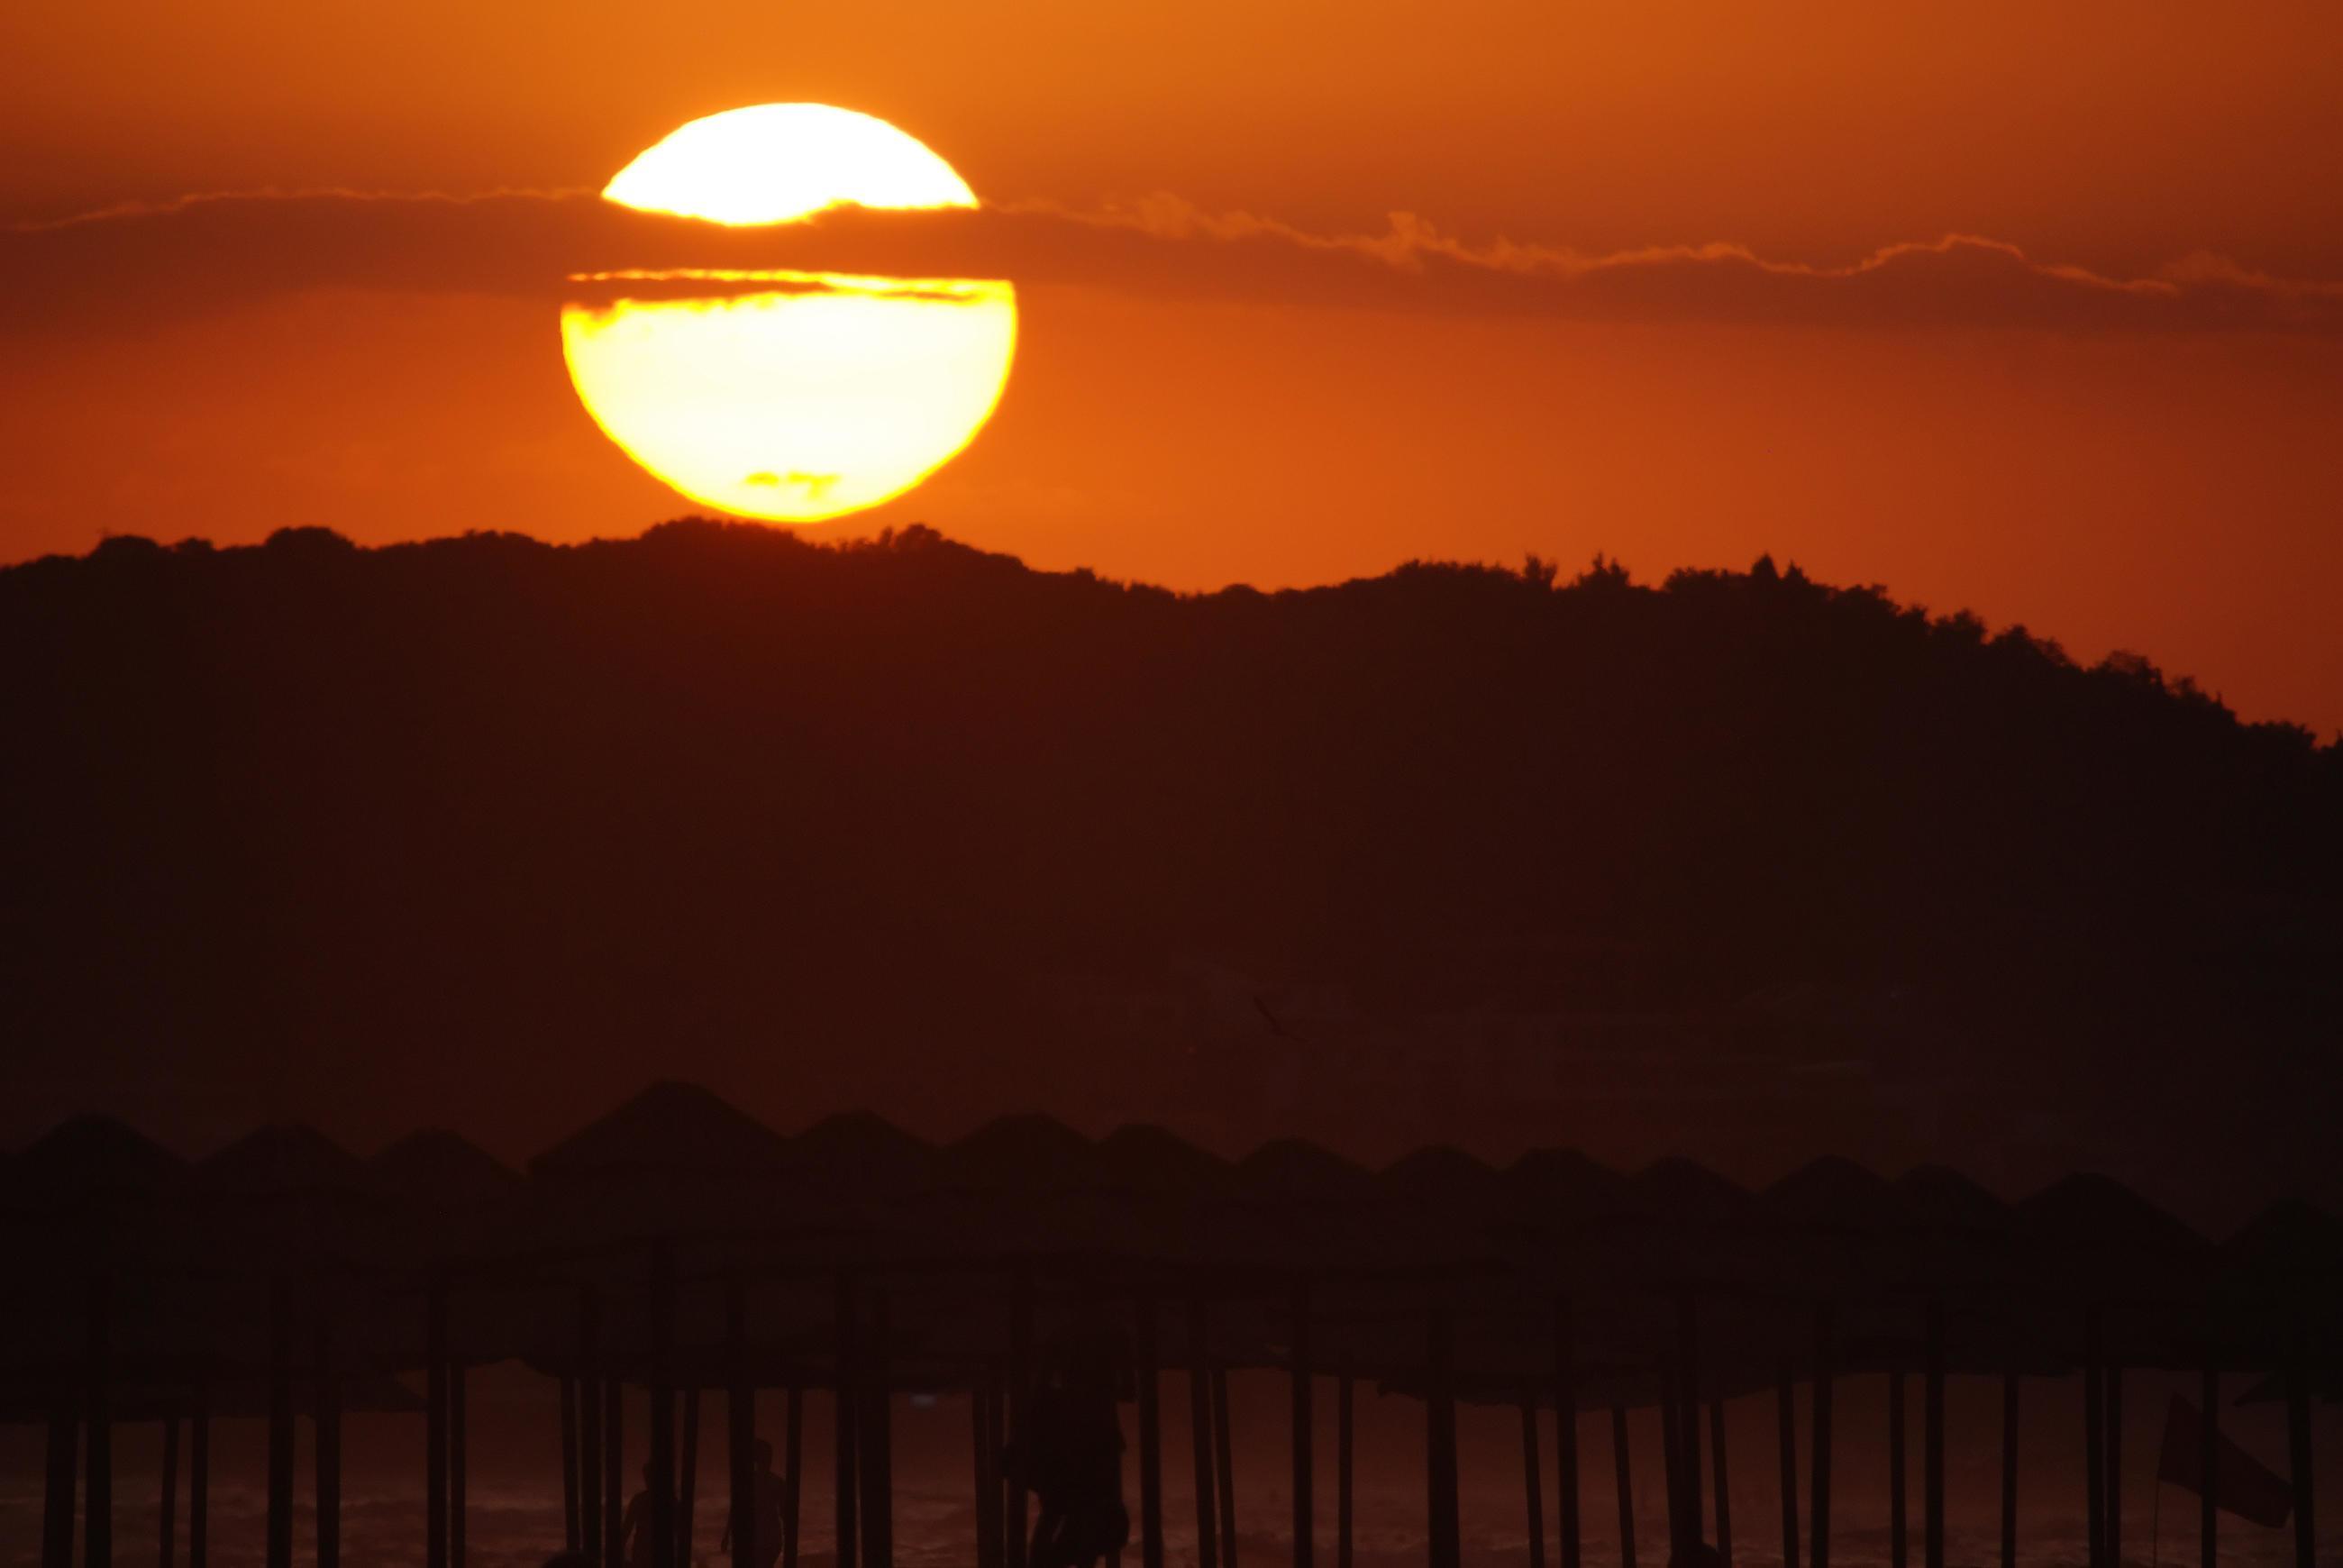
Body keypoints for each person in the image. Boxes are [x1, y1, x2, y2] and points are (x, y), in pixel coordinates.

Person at [1019, 1317, 1131, 1568]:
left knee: (1076, 1395)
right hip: (1086, 1455)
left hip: (1086, 1455)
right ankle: (1081, 1348)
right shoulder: (1089, 1531)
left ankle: (1081, 1348)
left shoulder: (1090, 1532)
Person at [719, 1436, 789, 1568]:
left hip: (759, 1539)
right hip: (769, 1540)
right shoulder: (776, 1482)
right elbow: (785, 1514)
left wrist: (727, 1534)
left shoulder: (748, 1481)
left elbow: (735, 1509)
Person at [619, 1461, 663, 1568]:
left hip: (643, 1550)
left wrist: (618, 1555)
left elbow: (626, 1530)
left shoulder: (639, 1500)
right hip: (660, 1550)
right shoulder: (669, 1500)